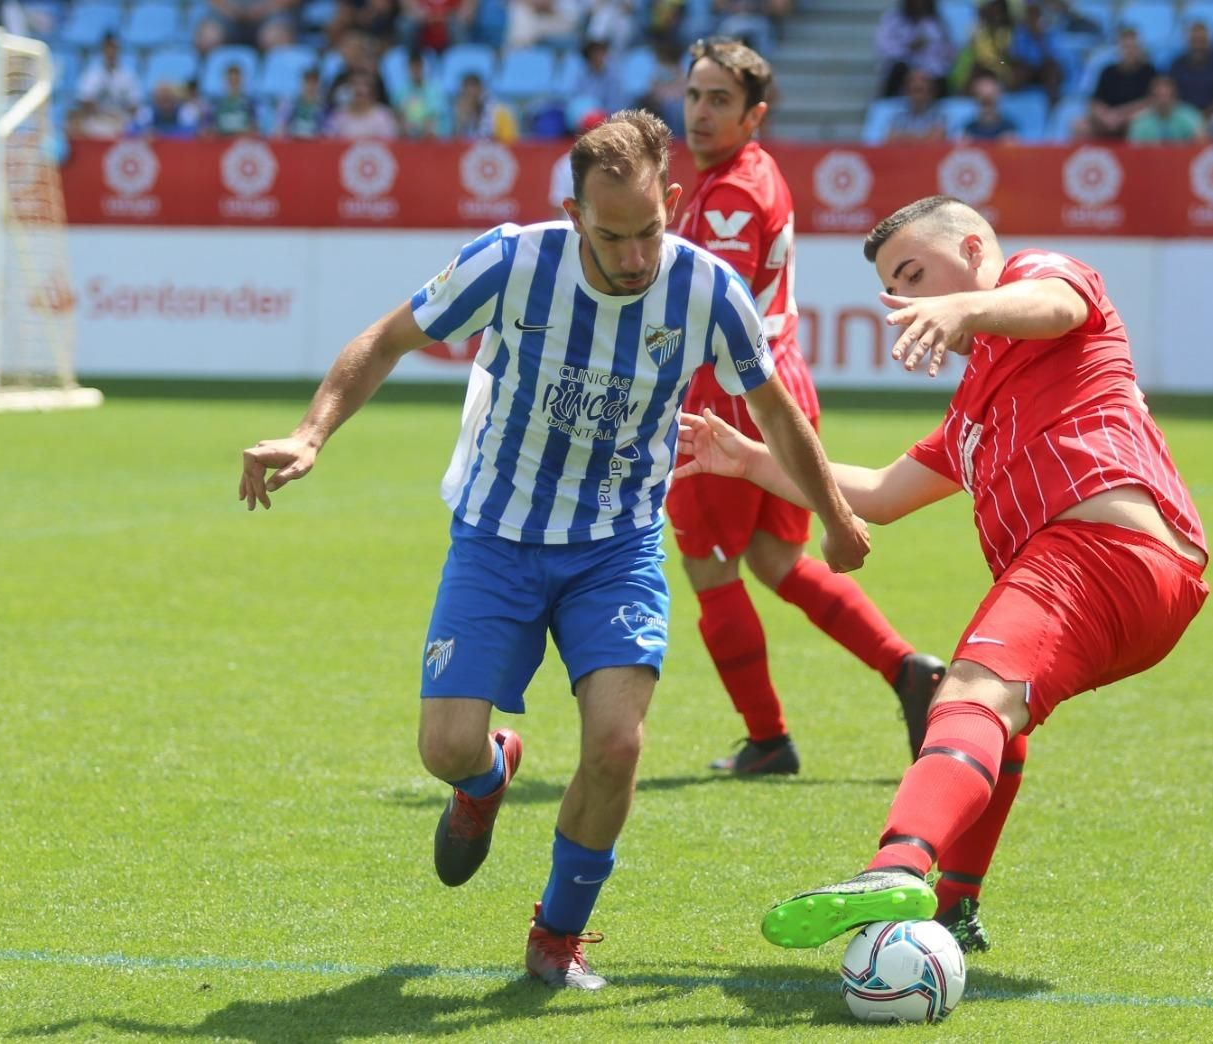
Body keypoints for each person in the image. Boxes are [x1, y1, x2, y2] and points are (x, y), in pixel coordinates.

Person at [237, 110, 869, 990]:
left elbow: (775, 411)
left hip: (617, 545)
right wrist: (311, 435)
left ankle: (556, 935)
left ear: (672, 203)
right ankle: (487, 776)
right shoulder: (511, 261)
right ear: (574, 215)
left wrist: (835, 516)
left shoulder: (707, 289)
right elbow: (387, 339)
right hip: (497, 536)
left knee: (618, 745)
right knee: (444, 748)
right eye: (612, 236)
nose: (636, 256)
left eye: (650, 229)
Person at [675, 195, 1209, 952]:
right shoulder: (970, 416)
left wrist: (965, 307)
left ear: (972, 246)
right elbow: (882, 496)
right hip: (1139, 588)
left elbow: (1053, 306)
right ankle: (954, 906)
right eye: (895, 289)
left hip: (1103, 552)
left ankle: (896, 864)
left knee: (967, 690)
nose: (908, 301)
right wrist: (753, 461)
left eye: (916, 273)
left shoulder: (1042, 275)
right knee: (999, 723)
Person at [671, 38, 945, 773]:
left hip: (729, 393)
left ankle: (768, 740)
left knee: (711, 565)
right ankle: (907, 671)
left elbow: (714, 310)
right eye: (694, 94)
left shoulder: (729, 192)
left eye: (719, 100)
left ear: (754, 114)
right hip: (777, 384)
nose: (700, 111)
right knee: (774, 556)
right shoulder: (744, 172)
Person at [1076, 27, 1155, 141]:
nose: (1130, 51)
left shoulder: (1149, 71)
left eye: (1133, 47)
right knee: (1079, 126)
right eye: (1126, 47)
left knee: (1142, 122)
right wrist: (1105, 116)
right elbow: (1095, 101)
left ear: (1139, 48)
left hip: (1132, 118)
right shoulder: (1108, 71)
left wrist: (1121, 115)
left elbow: (1151, 102)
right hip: (1108, 119)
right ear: (1119, 48)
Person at [1167, 22, 1213, 139]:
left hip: (1212, 114)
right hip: (1183, 114)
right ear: (1188, 40)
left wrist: (1205, 115)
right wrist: (1190, 115)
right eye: (1195, 40)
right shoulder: (1177, 64)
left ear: (1208, 41)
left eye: (1201, 40)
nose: (1198, 44)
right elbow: (1170, 93)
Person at [1126, 75, 1205, 144]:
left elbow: (1202, 142)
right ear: (1150, 97)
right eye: (1158, 96)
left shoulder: (1190, 115)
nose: (1163, 101)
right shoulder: (1140, 121)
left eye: (1167, 95)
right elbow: (1132, 149)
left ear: (1175, 95)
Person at [886, 66, 948, 143]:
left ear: (932, 91)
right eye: (914, 90)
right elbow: (890, 141)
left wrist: (904, 138)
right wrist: (922, 138)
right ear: (906, 92)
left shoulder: (939, 117)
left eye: (920, 90)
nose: (917, 83)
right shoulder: (898, 118)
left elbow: (936, 141)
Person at [959, 71, 1019, 143]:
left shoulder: (1010, 129)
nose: (987, 108)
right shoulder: (967, 130)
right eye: (984, 102)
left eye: (990, 101)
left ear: (999, 95)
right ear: (974, 96)